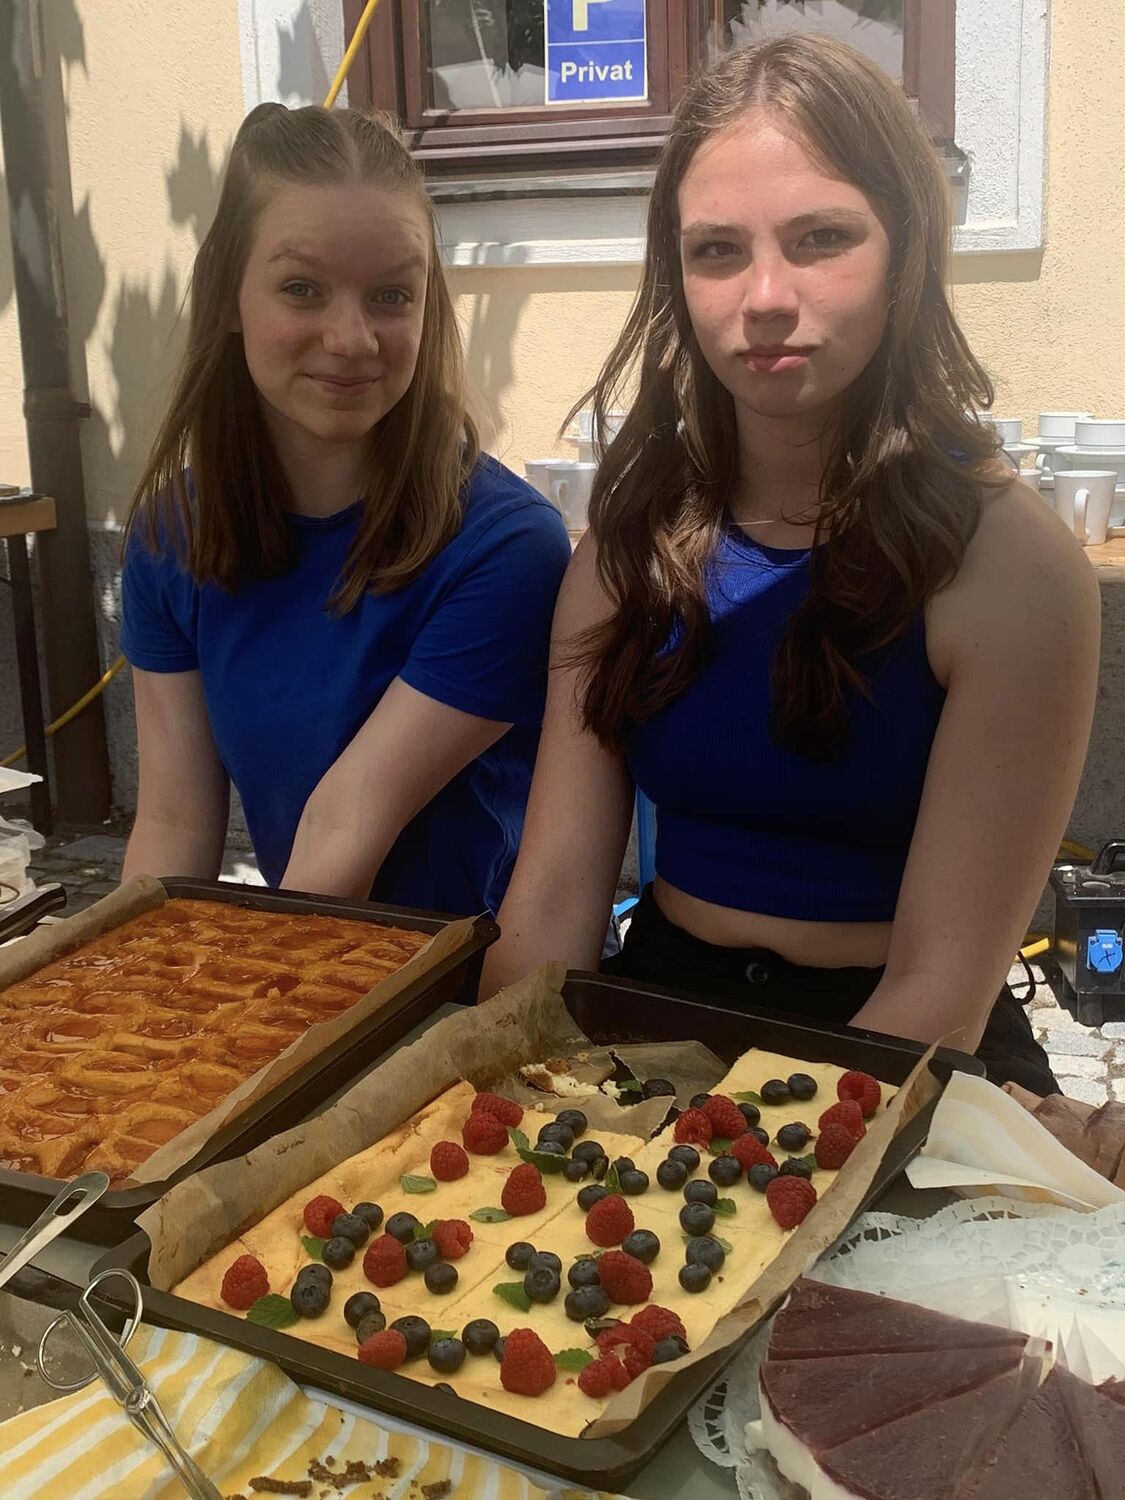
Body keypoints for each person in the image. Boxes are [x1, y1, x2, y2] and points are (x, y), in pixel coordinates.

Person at [481, 36, 1100, 1093]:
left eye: (821, 238)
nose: (765, 294)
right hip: (661, 1013)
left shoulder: (1008, 569)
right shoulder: (629, 553)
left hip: (902, 1057)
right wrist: (478, 1085)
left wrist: (713, 1163)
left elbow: (939, 993)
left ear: (906, 251)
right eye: (717, 250)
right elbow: (549, 910)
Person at [120, 104, 570, 916]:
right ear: (226, 295)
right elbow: (173, 822)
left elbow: (345, 829)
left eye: (392, 295)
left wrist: (243, 992)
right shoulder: (168, 538)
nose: (352, 338)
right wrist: (122, 982)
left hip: (474, 980)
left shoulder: (507, 548)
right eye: (303, 289)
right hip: (302, 941)